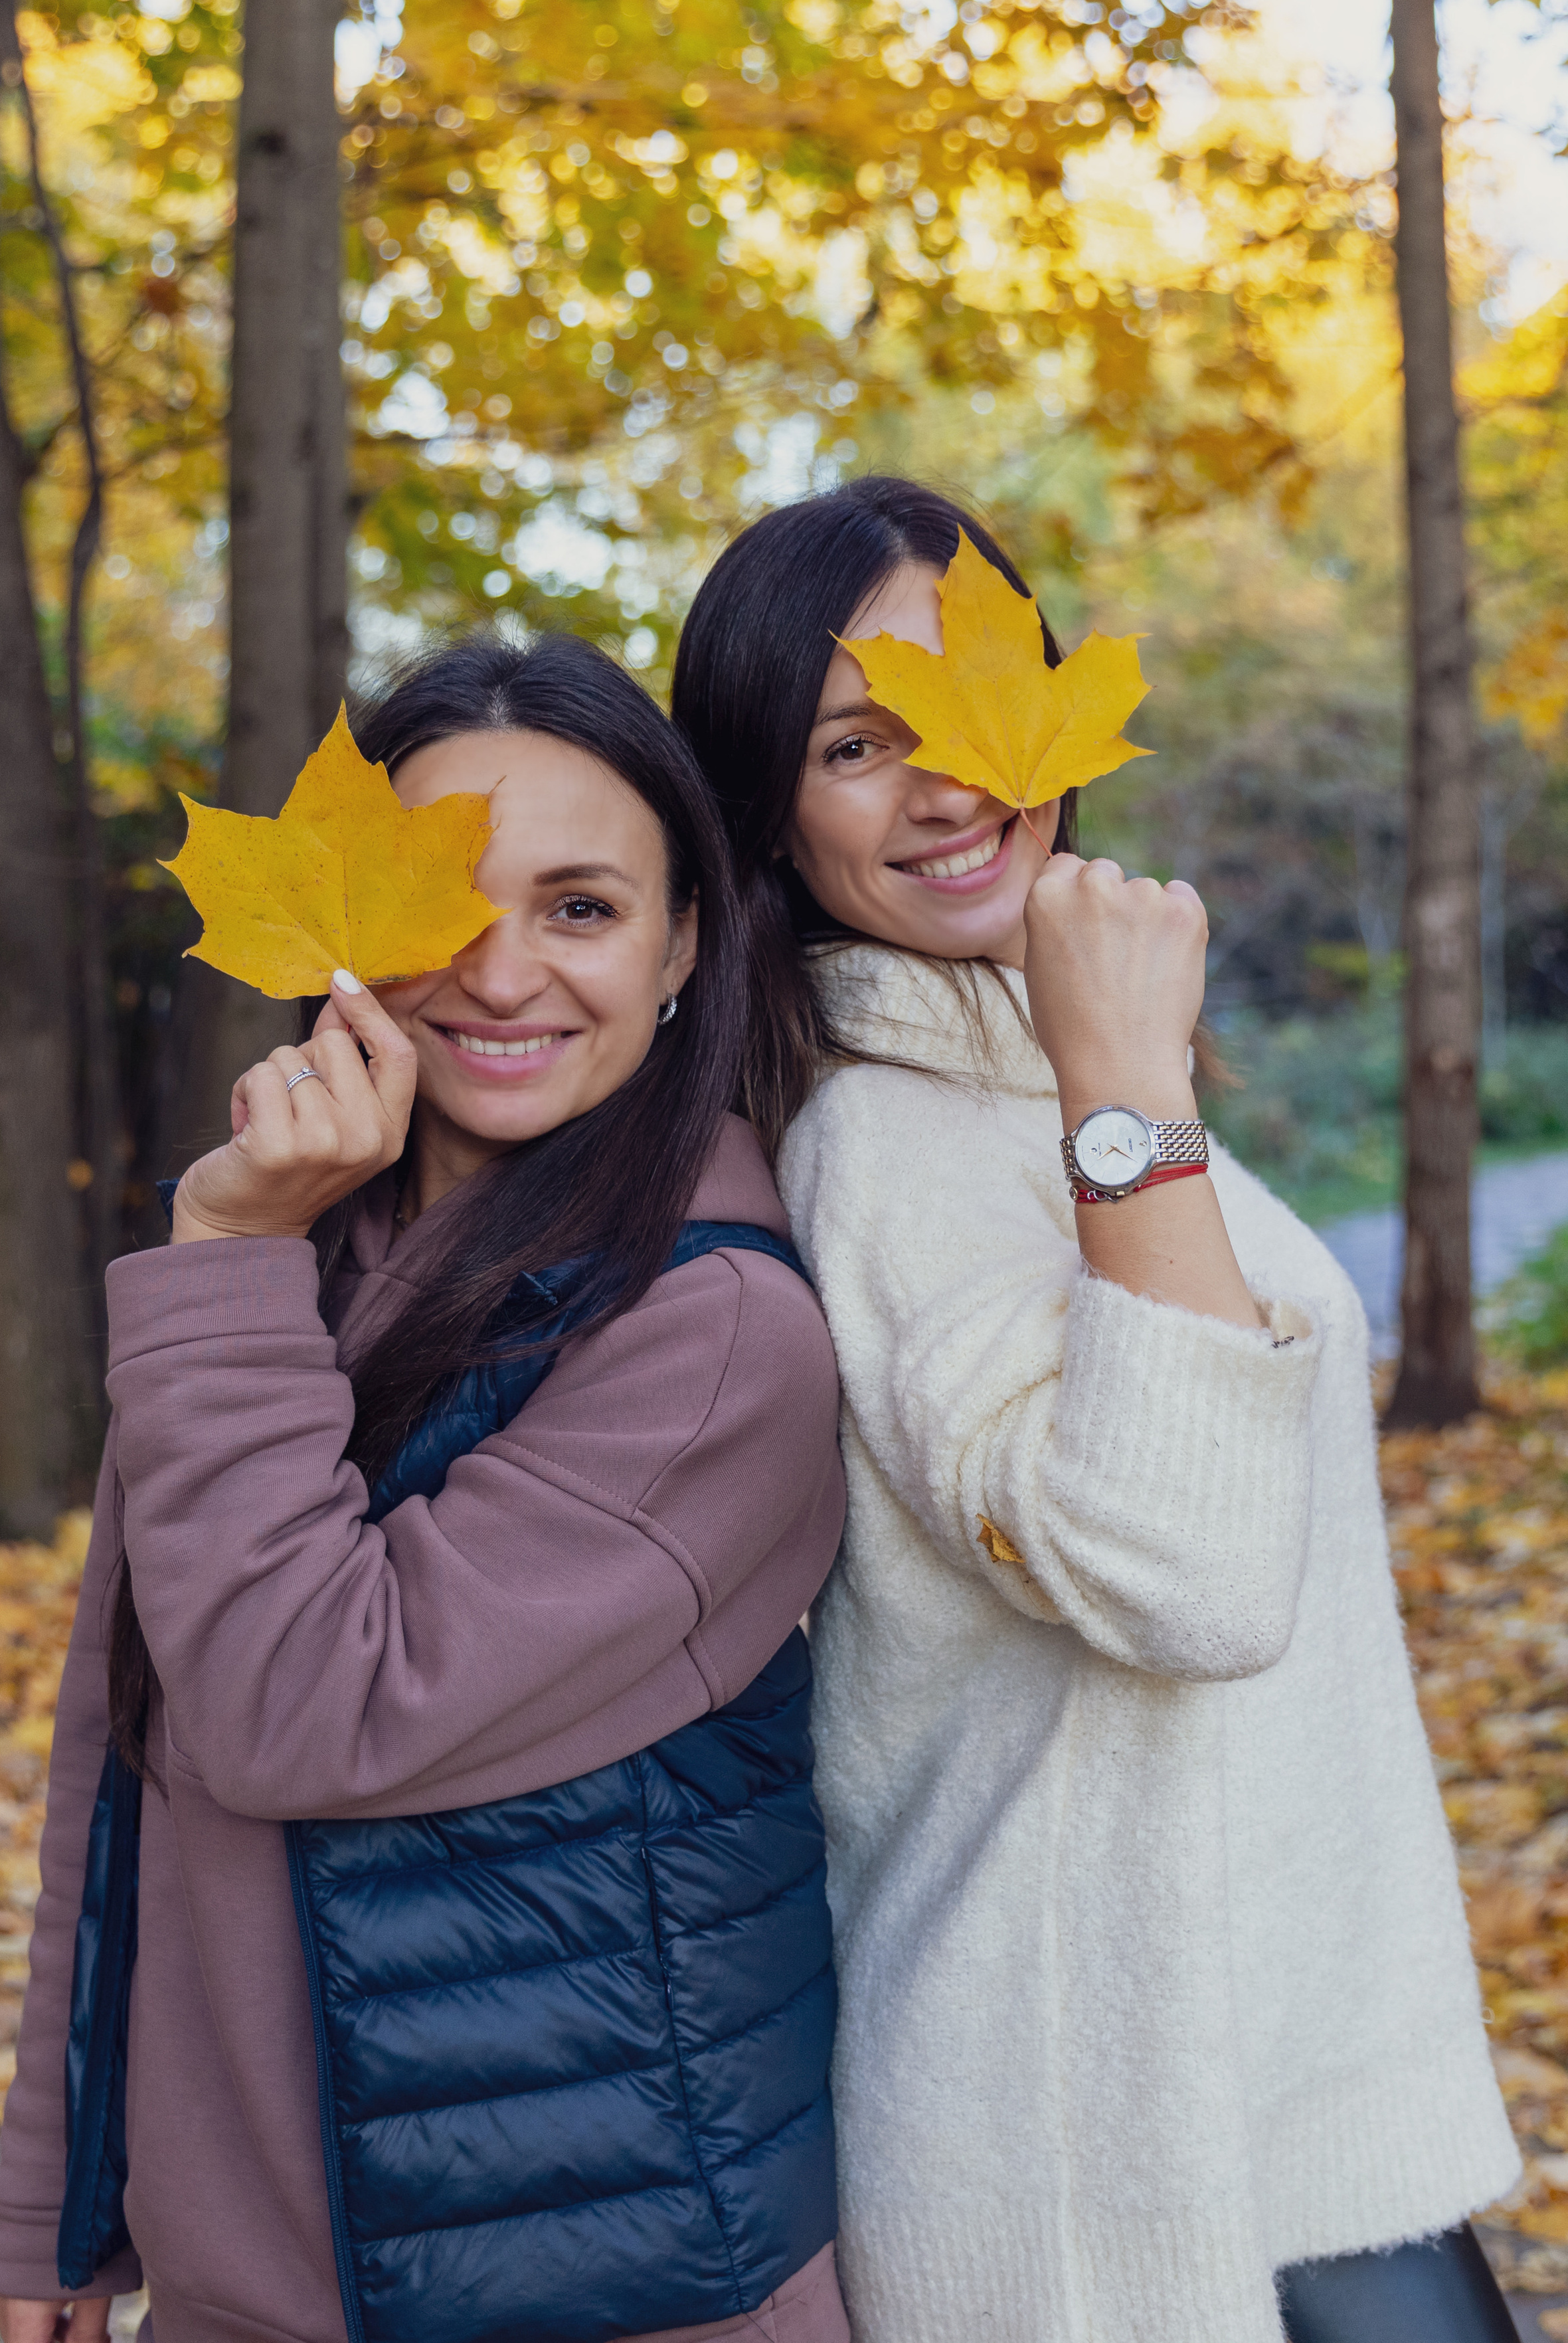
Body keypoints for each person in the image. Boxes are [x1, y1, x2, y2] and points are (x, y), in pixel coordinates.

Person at [670, 476, 1521, 2343]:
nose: (943, 783)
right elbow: (1183, 1573)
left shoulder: (1021, 1078)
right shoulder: (880, 1142)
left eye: (972, 703)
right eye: (854, 745)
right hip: (1087, 2131)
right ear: (767, 816)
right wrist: (1128, 1085)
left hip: (1280, 2070)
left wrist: (1110, 1077)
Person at [0, 632, 851, 2343]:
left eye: (582, 908)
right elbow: (126, 1745)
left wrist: (222, 1254)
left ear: (683, 944)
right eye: (442, 902)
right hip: (246, 2295)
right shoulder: (283, 1264)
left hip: (602, 2292)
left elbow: (302, 1714)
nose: (502, 975)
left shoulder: (717, 1333)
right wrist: (53, 2213)